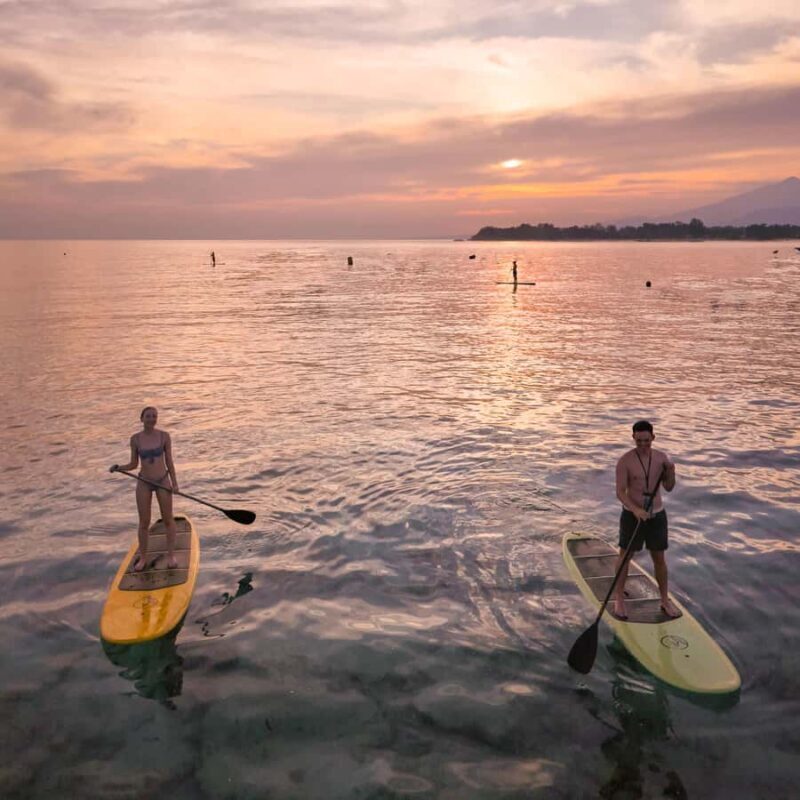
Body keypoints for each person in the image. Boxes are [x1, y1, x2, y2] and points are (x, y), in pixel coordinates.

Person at [613, 420, 679, 619]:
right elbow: (620, 492)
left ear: (653, 438)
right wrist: (635, 510)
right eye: (639, 440)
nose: (643, 444)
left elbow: (669, 487)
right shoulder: (625, 461)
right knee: (625, 556)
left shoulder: (661, 458)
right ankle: (619, 598)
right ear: (633, 437)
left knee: (659, 559)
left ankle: (664, 600)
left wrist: (671, 472)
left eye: (647, 441)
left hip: (657, 514)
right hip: (632, 516)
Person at [110, 406, 179, 571]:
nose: (152, 419)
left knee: (168, 519)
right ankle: (142, 558)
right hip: (144, 482)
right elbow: (134, 464)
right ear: (142, 419)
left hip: (162, 481)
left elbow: (169, 462)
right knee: (143, 522)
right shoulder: (135, 439)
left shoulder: (164, 436)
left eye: (154, 416)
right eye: (148, 416)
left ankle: (171, 555)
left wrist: (175, 483)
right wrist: (119, 467)